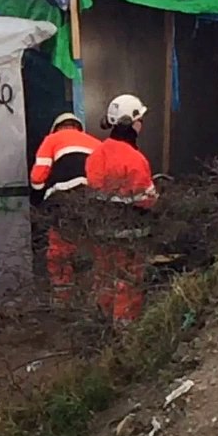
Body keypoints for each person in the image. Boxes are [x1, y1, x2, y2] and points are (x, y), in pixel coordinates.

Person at [85, 94, 158, 323]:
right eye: (140, 119)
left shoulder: (96, 154)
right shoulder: (135, 159)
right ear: (131, 122)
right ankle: (125, 331)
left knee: (104, 279)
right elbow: (146, 200)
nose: (142, 124)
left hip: (100, 231)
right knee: (128, 282)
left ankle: (103, 324)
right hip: (130, 234)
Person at [29, 112, 100, 300]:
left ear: (56, 128)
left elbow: (37, 177)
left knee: (60, 251)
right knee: (88, 248)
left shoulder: (52, 139)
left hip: (63, 199)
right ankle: (89, 298)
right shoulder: (96, 142)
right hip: (93, 200)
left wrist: (37, 200)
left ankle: (63, 298)